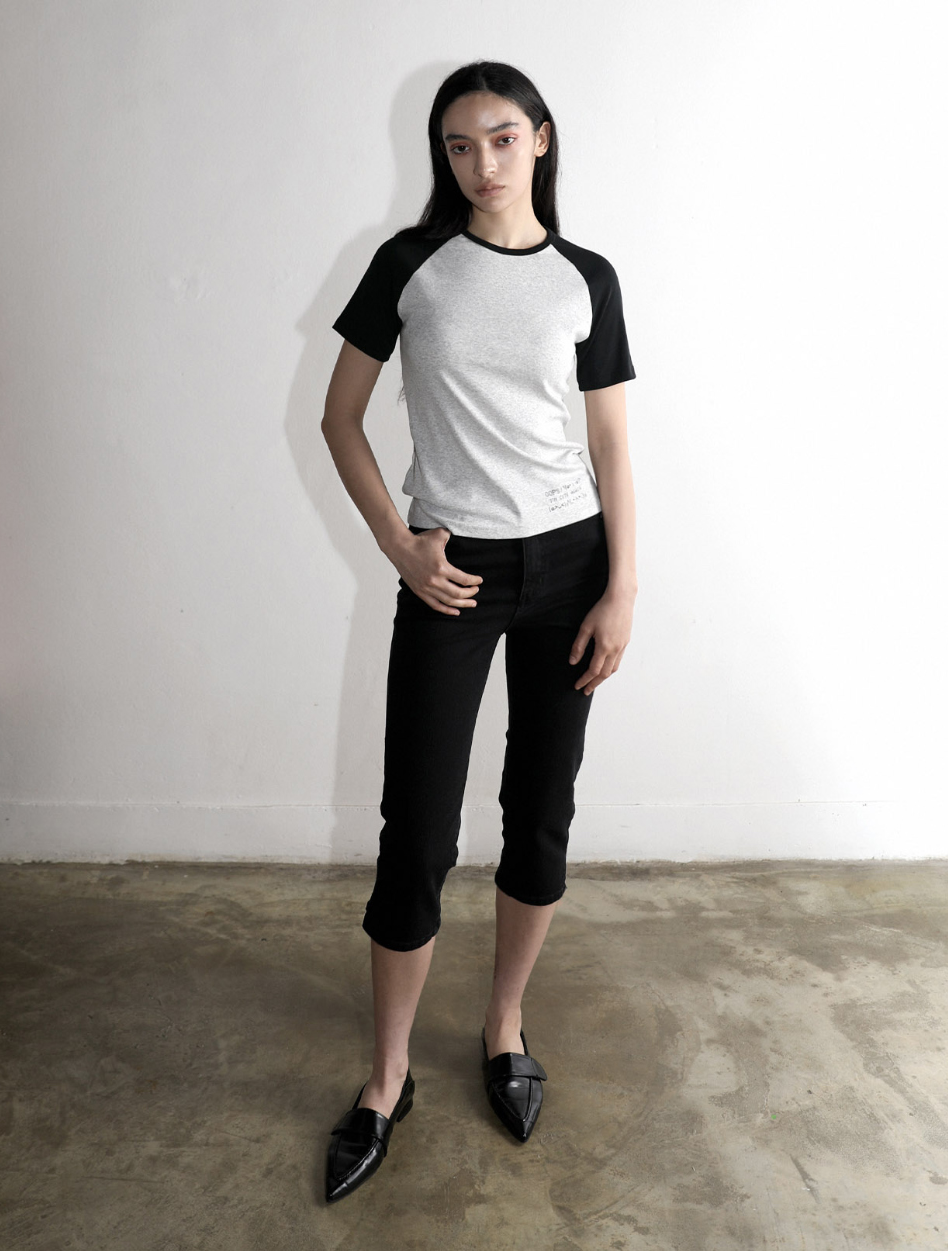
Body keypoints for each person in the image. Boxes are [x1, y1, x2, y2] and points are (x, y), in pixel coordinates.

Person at [320, 59, 637, 1203]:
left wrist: (622, 589)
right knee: (417, 830)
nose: (481, 163)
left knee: (538, 813)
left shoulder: (586, 278)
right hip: (450, 570)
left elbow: (609, 444)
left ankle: (503, 1027)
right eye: (458, 146)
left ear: (540, 139)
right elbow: (339, 418)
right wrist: (400, 546)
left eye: (501, 138)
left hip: (569, 567)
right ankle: (387, 1076)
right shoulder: (411, 265)